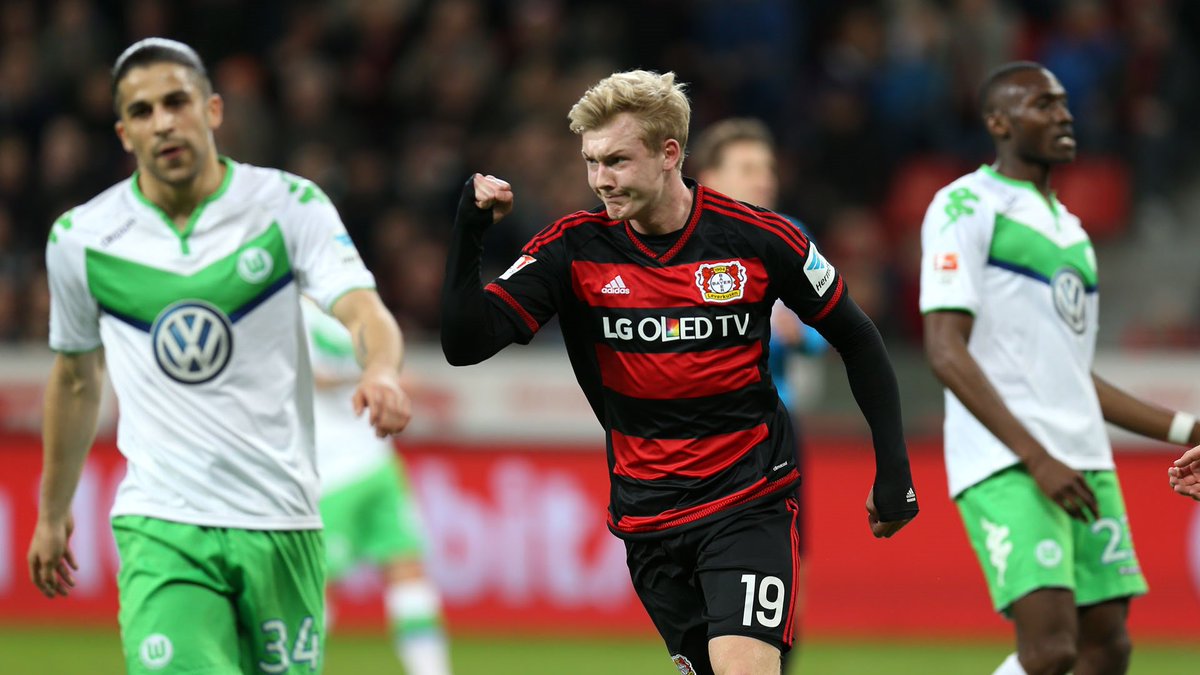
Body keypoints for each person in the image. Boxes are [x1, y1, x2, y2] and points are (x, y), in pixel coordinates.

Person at [441, 69, 918, 675]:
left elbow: (858, 337)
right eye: (591, 162)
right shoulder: (572, 249)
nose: (601, 179)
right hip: (647, 517)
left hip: (749, 497)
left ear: (669, 154)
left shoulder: (759, 238)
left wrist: (894, 471)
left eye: (617, 160)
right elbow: (466, 344)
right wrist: (469, 229)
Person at [27, 38, 410, 674]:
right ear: (125, 134)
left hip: (281, 519)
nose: (163, 122)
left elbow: (363, 310)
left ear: (212, 110)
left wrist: (380, 371)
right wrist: (51, 511)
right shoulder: (82, 240)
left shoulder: (289, 206)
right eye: (142, 111)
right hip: (162, 520)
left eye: (176, 101)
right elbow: (75, 379)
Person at [919, 61, 1197, 675]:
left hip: (1085, 458)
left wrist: (1188, 430)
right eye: (1043, 104)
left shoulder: (1071, 232)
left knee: (1108, 649)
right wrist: (1036, 457)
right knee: (1050, 651)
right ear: (999, 122)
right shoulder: (966, 204)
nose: (1064, 115)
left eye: (1065, 103)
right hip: (1009, 460)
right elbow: (944, 349)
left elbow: (1072, 374)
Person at [689, 117, 828, 669]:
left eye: (767, 168)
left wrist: (797, 331)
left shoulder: (789, 234)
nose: (764, 179)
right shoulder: (678, 239)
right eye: (747, 167)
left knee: (789, 566)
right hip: (694, 433)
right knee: (696, 576)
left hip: (772, 431)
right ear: (708, 177)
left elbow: (824, 330)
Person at [301, 298, 452, 675]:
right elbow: (306, 376)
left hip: (373, 460)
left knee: (407, 569)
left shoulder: (349, 304)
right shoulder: (300, 309)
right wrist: (373, 378)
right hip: (330, 472)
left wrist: (388, 379)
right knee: (316, 587)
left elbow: (382, 363)